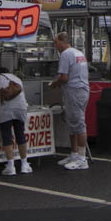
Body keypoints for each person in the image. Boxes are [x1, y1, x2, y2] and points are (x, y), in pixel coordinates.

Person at [48, 32, 90, 170]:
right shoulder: (78, 53)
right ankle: (74, 153)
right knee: (72, 123)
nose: (55, 46)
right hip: (81, 90)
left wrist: (54, 83)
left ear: (62, 42)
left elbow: (64, 78)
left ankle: (82, 159)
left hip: (75, 91)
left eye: (55, 43)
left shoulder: (66, 54)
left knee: (78, 123)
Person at [0, 66, 31, 176]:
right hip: (20, 108)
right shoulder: (17, 78)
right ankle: (24, 164)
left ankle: (10, 166)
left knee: (7, 135)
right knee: (20, 134)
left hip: (5, 109)